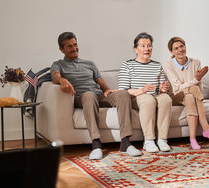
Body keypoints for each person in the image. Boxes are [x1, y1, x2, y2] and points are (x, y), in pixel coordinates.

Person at [51, 32, 142, 160]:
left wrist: (107, 90)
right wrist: (62, 80)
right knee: (89, 95)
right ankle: (96, 145)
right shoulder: (58, 64)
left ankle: (126, 143)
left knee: (122, 93)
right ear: (62, 49)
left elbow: (100, 82)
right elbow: (55, 76)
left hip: (98, 95)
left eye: (75, 44)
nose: (74, 48)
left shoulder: (89, 64)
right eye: (69, 46)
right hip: (81, 97)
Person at [164, 37, 209, 150]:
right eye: (176, 48)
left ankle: (193, 139)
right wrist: (195, 79)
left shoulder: (195, 62)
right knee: (193, 90)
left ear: (185, 46)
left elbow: (198, 87)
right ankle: (206, 128)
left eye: (182, 46)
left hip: (191, 95)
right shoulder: (169, 64)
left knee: (191, 96)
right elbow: (177, 87)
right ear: (171, 52)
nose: (180, 50)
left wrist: (197, 80)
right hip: (176, 95)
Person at [119, 32, 172, 153]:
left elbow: (160, 89)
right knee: (148, 99)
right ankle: (148, 140)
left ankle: (162, 140)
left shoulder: (157, 65)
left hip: (154, 96)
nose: (147, 48)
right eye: (143, 46)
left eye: (149, 45)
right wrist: (142, 90)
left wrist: (163, 89)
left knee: (166, 99)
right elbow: (123, 91)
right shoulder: (127, 65)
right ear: (135, 49)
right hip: (136, 97)